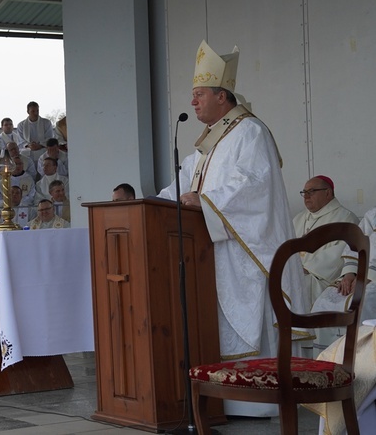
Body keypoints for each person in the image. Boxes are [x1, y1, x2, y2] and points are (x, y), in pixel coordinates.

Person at [156, 40, 309, 417]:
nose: (192, 103)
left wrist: (205, 201)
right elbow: (182, 182)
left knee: (248, 315)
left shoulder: (250, 132)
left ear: (222, 96)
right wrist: (156, 202)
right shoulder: (212, 142)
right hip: (217, 248)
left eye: (199, 95)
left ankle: (259, 404)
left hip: (248, 249)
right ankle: (229, 396)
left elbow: (253, 185)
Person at [310, 207, 376, 350]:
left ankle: (356, 359)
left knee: (362, 302)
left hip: (372, 278)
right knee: (324, 302)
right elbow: (355, 243)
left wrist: (369, 277)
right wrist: (349, 273)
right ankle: (327, 360)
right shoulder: (372, 215)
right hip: (361, 274)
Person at [292, 175, 358, 306]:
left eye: (311, 191)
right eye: (304, 192)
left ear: (327, 192)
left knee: (297, 286)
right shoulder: (298, 218)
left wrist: (307, 269)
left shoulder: (345, 218)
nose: (306, 196)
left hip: (322, 277)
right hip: (297, 272)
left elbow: (341, 252)